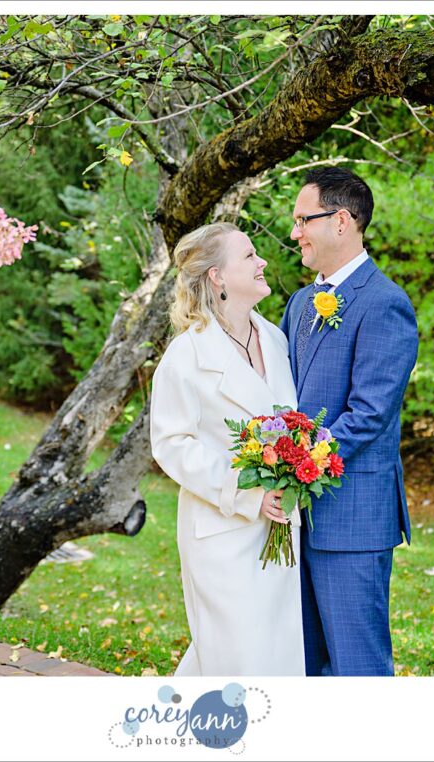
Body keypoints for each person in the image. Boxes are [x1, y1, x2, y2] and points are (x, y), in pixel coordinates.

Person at [279, 167, 419, 676]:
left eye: (302, 220)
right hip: (296, 520)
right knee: (304, 664)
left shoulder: (386, 304)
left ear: (340, 221)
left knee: (357, 668)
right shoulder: (298, 304)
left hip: (352, 518)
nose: (294, 233)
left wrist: (294, 468)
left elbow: (368, 416)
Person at [150, 222, 305, 676]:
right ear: (217, 276)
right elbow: (171, 444)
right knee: (235, 656)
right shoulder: (186, 354)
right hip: (221, 532)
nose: (262, 264)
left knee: (275, 651)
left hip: (279, 532)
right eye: (250, 256)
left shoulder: (275, 340)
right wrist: (249, 493)